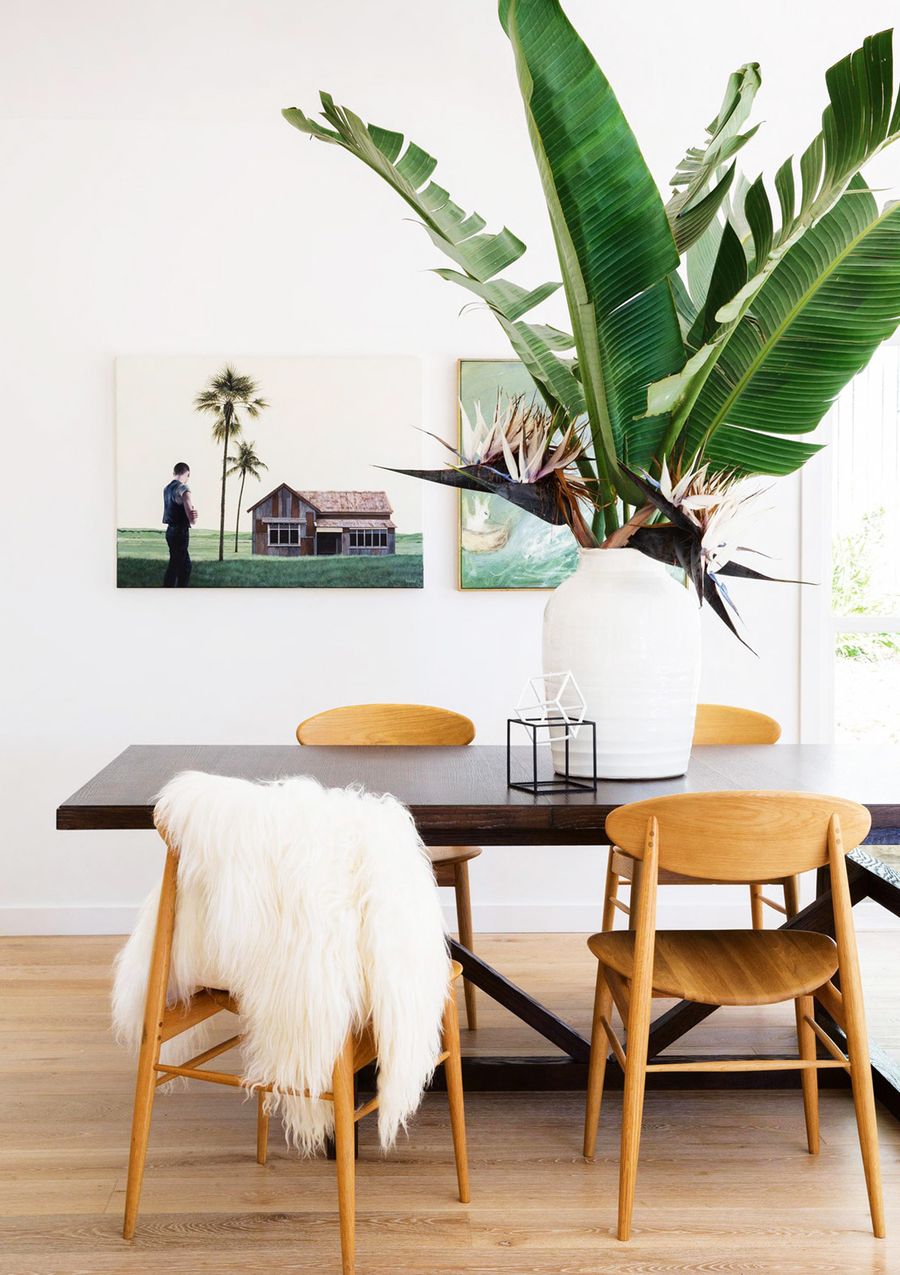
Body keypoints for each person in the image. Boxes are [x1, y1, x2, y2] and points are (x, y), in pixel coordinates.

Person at [162, 463, 198, 587]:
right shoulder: (183, 488)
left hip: (170, 531)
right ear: (187, 474)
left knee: (178, 565)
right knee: (181, 567)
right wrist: (194, 518)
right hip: (180, 532)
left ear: (174, 472)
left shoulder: (166, 489)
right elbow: (191, 516)